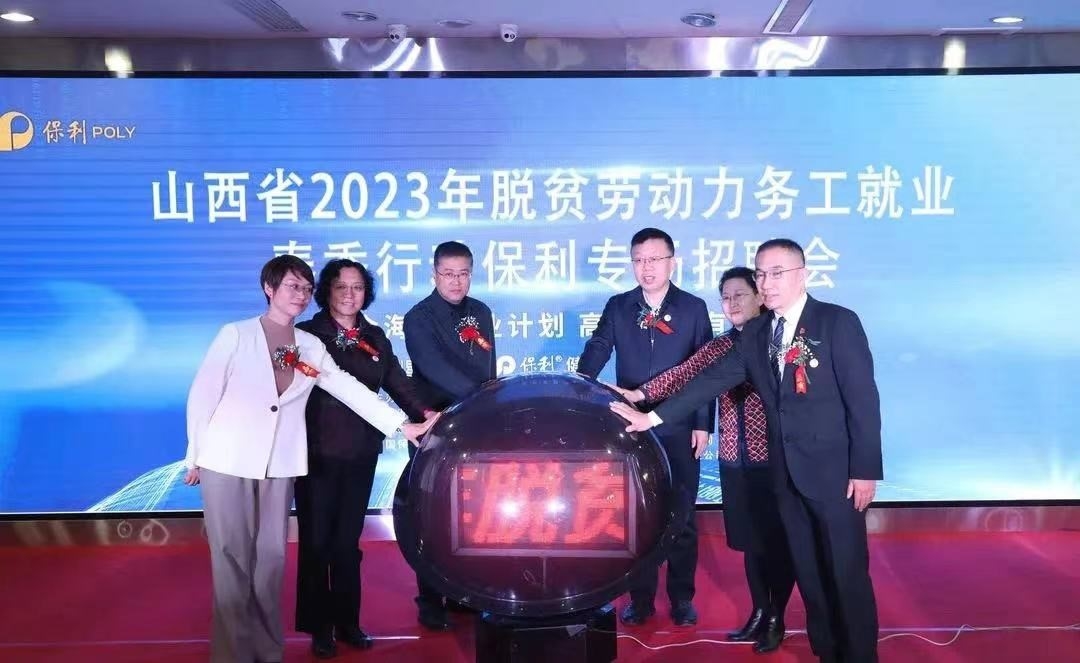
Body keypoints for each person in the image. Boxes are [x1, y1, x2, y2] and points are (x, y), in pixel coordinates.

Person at [611, 238, 882, 663]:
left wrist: (865, 469)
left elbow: (863, 400)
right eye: (761, 274)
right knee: (810, 576)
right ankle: (828, 653)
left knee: (845, 573)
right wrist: (652, 417)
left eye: (776, 273)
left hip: (837, 477)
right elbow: (707, 380)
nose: (767, 283)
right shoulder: (757, 333)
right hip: (785, 477)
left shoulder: (836, 322)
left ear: (803, 274)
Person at [183, 255, 434, 663]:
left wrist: (401, 425)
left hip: (279, 465)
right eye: (291, 286)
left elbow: (347, 387)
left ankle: (268, 652)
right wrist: (194, 455)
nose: (299, 294)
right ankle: (232, 654)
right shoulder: (237, 334)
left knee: (271, 561)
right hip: (226, 460)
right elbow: (203, 394)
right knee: (231, 560)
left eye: (304, 287)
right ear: (269, 288)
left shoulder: (311, 345)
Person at [613, 266, 795, 653]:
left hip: (773, 460)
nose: (732, 303)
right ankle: (760, 613)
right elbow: (686, 374)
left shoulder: (776, 341)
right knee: (751, 545)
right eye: (725, 297)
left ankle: (776, 617)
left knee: (775, 543)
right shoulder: (722, 345)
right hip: (734, 459)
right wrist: (638, 395)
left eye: (740, 295)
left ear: (760, 297)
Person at [294, 259, 433, 659]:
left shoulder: (374, 336)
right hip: (316, 454)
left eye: (357, 287)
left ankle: (348, 621)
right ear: (327, 292)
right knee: (317, 542)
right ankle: (320, 627)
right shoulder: (307, 335)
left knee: (346, 542)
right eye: (341, 287)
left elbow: (398, 383)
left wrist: (427, 414)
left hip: (360, 452)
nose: (349, 295)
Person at [577, 227, 714, 627]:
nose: (646, 267)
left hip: (679, 423)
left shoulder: (693, 308)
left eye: (654, 259)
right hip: (632, 425)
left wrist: (703, 424)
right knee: (637, 516)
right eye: (638, 260)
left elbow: (705, 369)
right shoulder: (620, 306)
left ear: (673, 262)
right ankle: (640, 599)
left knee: (682, 518)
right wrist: (581, 382)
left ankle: (682, 598)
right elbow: (598, 347)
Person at [401, 240, 496, 630]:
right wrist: (483, 399)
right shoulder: (418, 317)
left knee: (471, 515)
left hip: (475, 427)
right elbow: (433, 369)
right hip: (434, 426)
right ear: (434, 274)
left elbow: (488, 366)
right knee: (431, 515)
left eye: (463, 274)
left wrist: (489, 406)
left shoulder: (481, 311)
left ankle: (462, 592)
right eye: (448, 274)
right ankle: (429, 598)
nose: (456, 281)